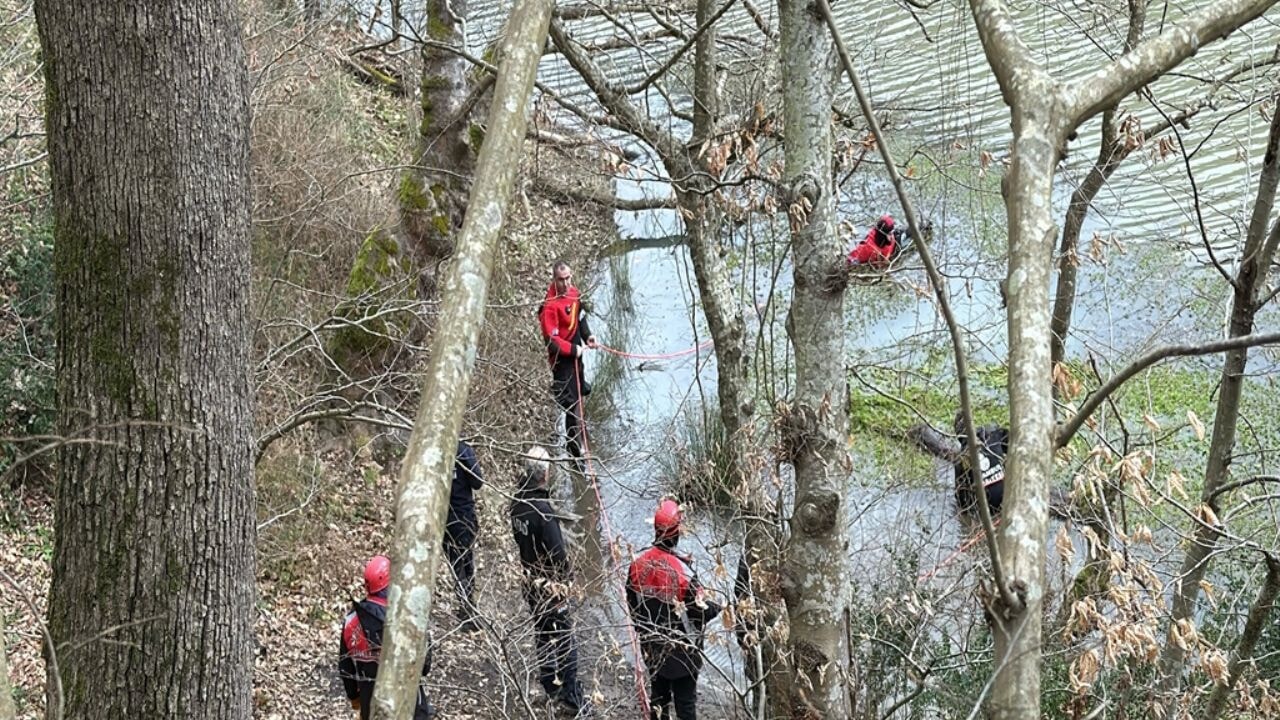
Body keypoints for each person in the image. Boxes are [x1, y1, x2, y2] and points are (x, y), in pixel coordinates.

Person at [510, 446, 591, 717]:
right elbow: (558, 556)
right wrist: (567, 586)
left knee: (543, 634)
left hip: (530, 581)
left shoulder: (517, 502)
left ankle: (549, 682)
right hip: (550, 589)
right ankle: (570, 695)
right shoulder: (543, 513)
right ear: (544, 474)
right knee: (566, 639)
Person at [626, 500, 722, 720]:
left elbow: (632, 603)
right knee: (685, 705)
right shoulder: (684, 573)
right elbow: (702, 612)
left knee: (659, 699)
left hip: (652, 647)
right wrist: (721, 607)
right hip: (683, 654)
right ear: (677, 533)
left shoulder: (637, 564)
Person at [338, 555, 436, 720]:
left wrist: (355, 698)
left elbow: (345, 668)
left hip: (371, 706)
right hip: (409, 706)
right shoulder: (407, 617)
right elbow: (424, 667)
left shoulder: (351, 621)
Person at [539, 260, 598, 462]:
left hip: (577, 355)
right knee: (571, 402)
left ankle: (580, 432)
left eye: (568, 278)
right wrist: (574, 350)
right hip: (562, 361)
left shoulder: (574, 293)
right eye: (561, 280)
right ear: (554, 279)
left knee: (580, 392)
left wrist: (587, 336)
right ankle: (574, 449)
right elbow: (553, 341)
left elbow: (580, 318)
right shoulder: (549, 306)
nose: (565, 283)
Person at [445, 439, 484, 631]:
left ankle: (466, 608)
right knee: (466, 564)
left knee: (456, 564)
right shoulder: (461, 450)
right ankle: (467, 613)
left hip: (443, 519)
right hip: (463, 517)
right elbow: (478, 482)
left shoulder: (434, 448)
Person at [953, 411, 1009, 515]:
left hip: (989, 507)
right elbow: (1013, 445)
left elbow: (962, 501)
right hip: (1008, 496)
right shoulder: (994, 432)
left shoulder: (961, 459)